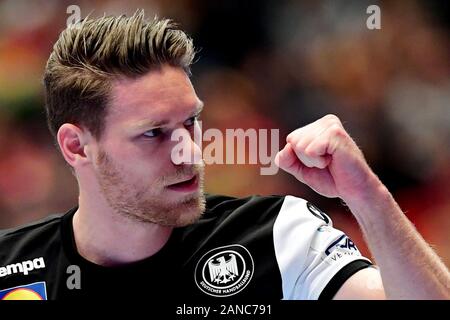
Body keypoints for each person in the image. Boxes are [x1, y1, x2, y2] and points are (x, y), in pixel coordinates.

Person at [0, 11, 448, 301]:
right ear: (77, 146)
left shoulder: (277, 236)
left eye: (191, 122)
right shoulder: (10, 268)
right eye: (154, 133)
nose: (190, 151)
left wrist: (366, 195)